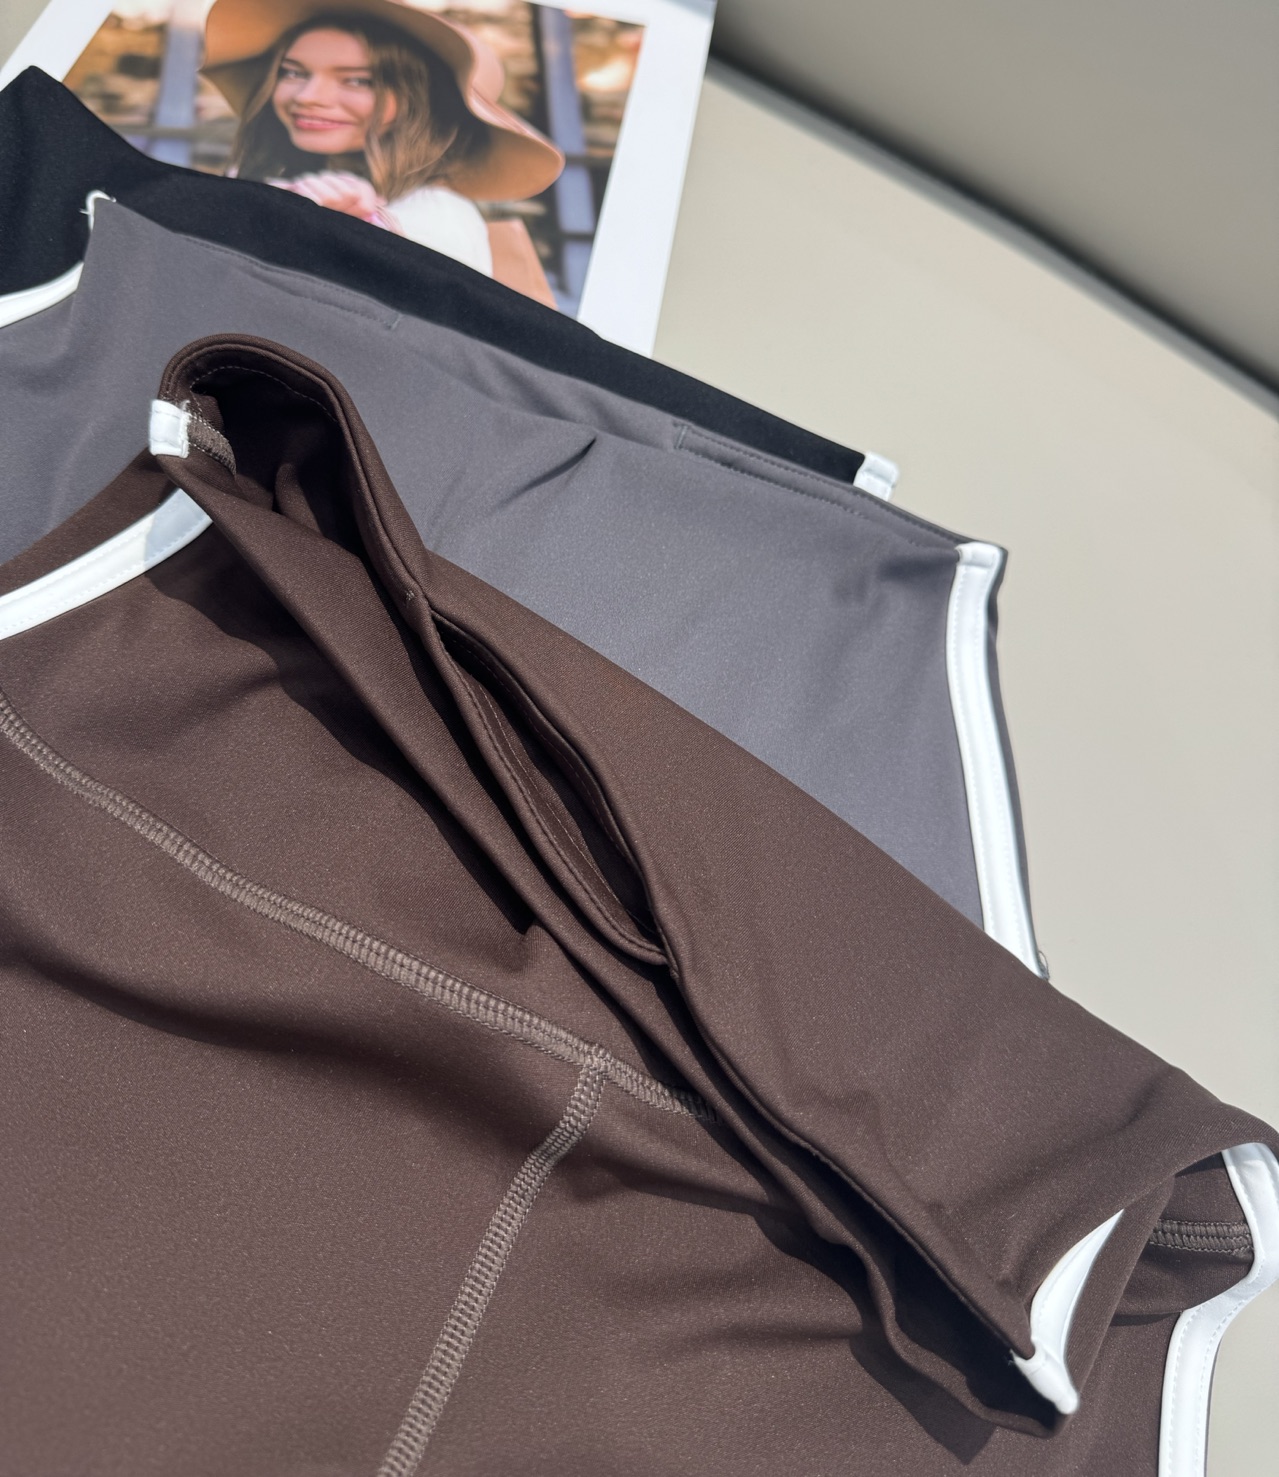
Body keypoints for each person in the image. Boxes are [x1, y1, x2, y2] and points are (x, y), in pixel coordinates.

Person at [201, 0, 564, 288]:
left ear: (422, 101)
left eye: (358, 81)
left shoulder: (436, 215)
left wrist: (359, 232)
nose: (308, 96)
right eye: (293, 72)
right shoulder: (269, 178)